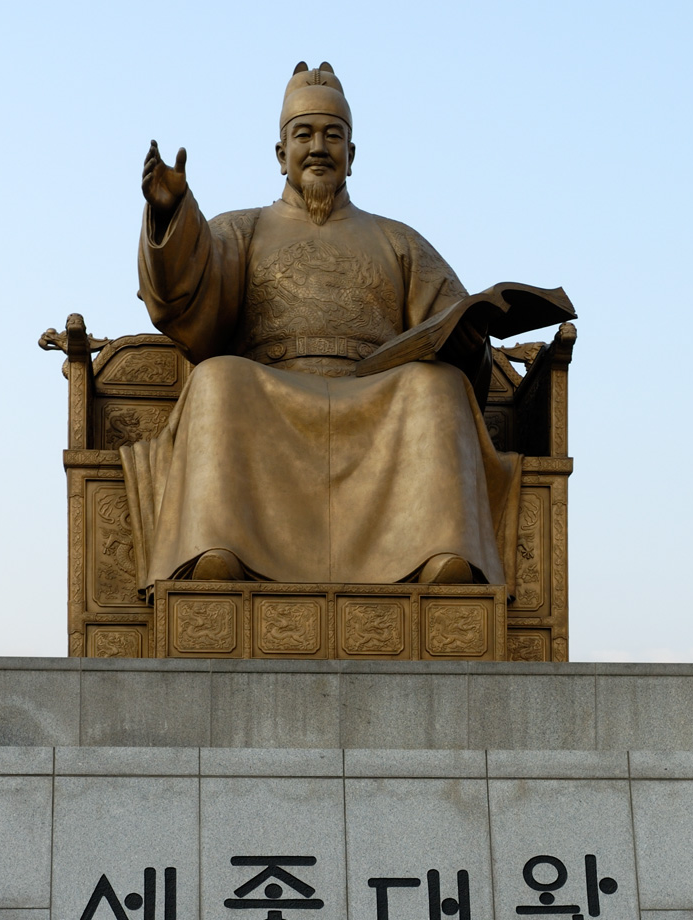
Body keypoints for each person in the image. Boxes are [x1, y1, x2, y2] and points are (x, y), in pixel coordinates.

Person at [122, 62, 521, 597]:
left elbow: (451, 324)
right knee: (217, 378)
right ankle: (219, 546)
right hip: (270, 394)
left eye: (333, 136)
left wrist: (470, 348)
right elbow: (182, 297)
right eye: (303, 135)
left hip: (376, 399)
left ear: (351, 155)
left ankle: (438, 552)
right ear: (280, 152)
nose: (318, 148)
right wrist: (171, 215)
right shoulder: (242, 229)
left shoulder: (399, 241)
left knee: (438, 386)